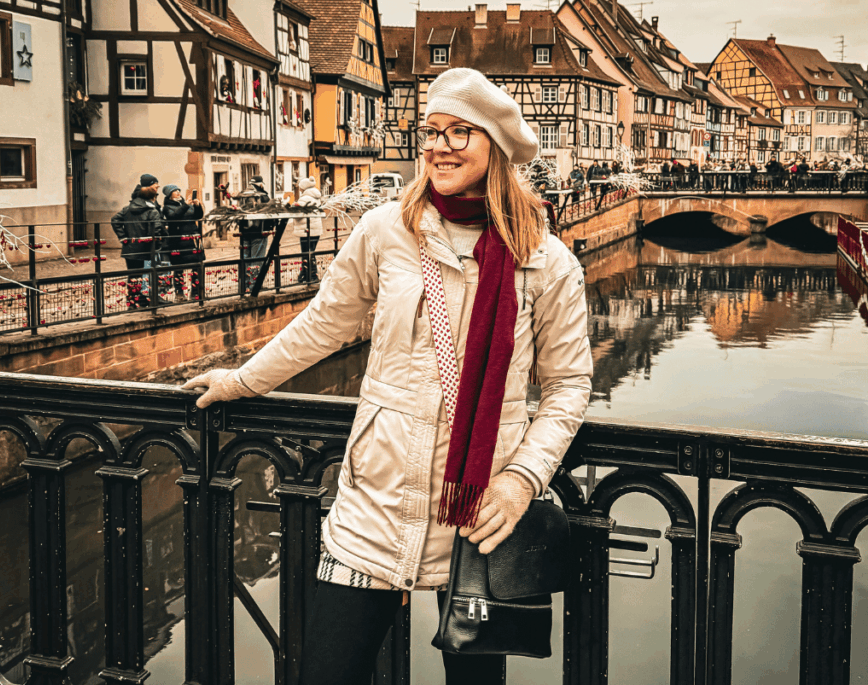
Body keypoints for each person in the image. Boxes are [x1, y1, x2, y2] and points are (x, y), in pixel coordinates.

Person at [182, 67, 592, 685]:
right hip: (374, 505)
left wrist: (522, 481)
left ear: (497, 151)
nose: (440, 146)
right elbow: (324, 324)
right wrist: (243, 381)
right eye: (431, 131)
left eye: (461, 132)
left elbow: (568, 386)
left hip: (477, 514)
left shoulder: (546, 260)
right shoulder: (385, 232)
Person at [111, 174, 167, 309]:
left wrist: (123, 237)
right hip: (145, 248)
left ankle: (134, 302)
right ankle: (145, 299)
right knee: (147, 274)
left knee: (133, 275)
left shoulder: (128, 208)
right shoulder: (151, 211)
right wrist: (157, 245)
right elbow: (156, 229)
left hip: (130, 248)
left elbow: (115, 220)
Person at [161, 184, 205, 301]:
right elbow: (174, 217)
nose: (178, 193)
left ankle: (196, 293)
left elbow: (198, 216)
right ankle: (179, 293)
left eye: (178, 190)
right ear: (169, 195)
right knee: (178, 268)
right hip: (178, 241)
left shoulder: (186, 205)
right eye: (175, 191)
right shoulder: (167, 207)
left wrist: (197, 206)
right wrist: (186, 205)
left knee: (197, 267)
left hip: (192, 240)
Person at [292, 177, 323, 283]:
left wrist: (293, 207)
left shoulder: (304, 198)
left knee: (306, 253)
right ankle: (305, 275)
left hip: (307, 230)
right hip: (315, 230)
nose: (299, 189)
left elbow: (298, 215)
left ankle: (312, 276)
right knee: (309, 252)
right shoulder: (316, 197)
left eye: (300, 187)